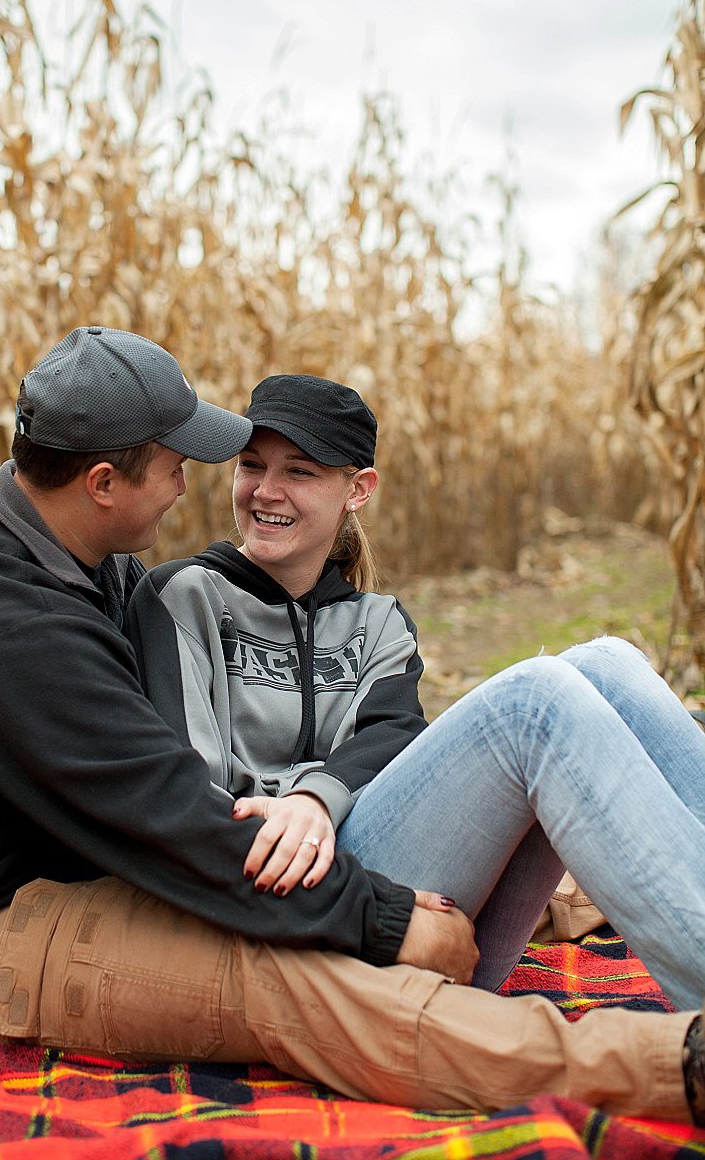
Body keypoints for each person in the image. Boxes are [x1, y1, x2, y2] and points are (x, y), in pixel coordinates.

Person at [0, 331, 705, 1126]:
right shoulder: (6, 625)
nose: (193, 487)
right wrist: (386, 918)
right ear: (102, 484)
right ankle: (674, 1064)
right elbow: (173, 819)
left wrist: (323, 806)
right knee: (288, 984)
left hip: (111, 868)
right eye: (177, 466)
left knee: (605, 667)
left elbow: (370, 737)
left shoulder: (71, 560)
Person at [126, 375, 705, 1011]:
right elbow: (191, 793)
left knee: (610, 662)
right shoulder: (185, 597)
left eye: (300, 471)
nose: (267, 491)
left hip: (415, 907)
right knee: (535, 702)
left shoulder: (378, 622)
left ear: (358, 490)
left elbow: (392, 736)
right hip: (298, 904)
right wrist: (293, 813)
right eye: (252, 466)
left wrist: (318, 800)